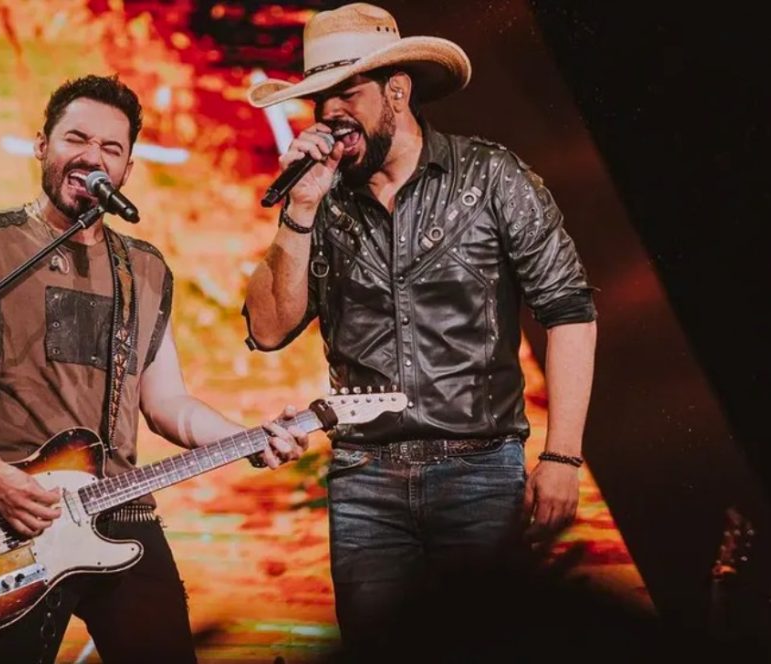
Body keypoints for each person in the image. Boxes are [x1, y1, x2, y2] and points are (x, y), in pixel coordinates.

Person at [0, 73, 309, 664]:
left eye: (110, 149)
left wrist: (247, 438)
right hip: (12, 513)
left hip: (120, 508)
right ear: (42, 144)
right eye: (76, 139)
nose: (92, 157)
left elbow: (168, 403)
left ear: (126, 169)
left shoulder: (144, 269)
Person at [241, 3, 598, 661]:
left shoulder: (491, 176)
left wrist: (562, 457)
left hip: (479, 470)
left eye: (348, 92)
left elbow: (569, 311)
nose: (330, 113)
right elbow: (266, 330)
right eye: (321, 98)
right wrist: (299, 209)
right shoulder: (323, 202)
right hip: (365, 478)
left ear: (397, 91)